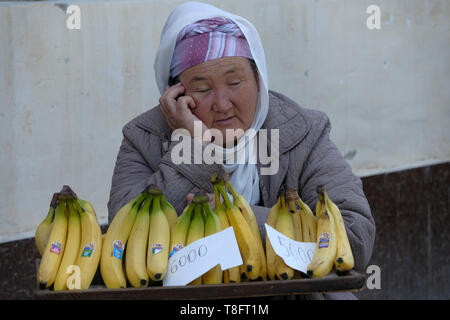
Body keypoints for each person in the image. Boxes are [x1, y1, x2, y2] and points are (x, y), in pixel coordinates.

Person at [107, 1, 375, 299]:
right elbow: (125, 247)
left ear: (259, 79)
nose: (222, 104)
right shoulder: (142, 139)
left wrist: (235, 220)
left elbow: (355, 239)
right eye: (202, 89)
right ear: (175, 93)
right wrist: (194, 144)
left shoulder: (304, 132)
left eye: (234, 82)